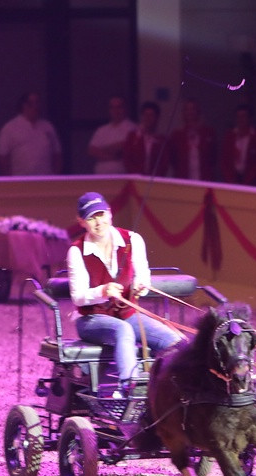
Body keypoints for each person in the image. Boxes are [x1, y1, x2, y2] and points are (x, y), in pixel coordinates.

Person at [67, 191, 183, 397]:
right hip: (92, 320)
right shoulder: (76, 251)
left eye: (101, 215)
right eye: (91, 218)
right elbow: (78, 296)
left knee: (174, 341)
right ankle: (129, 386)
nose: (98, 222)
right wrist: (102, 291)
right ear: (81, 222)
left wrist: (141, 285)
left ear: (110, 214)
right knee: (122, 331)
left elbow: (143, 276)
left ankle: (174, 391)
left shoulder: (133, 240)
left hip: (128, 315)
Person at [0, 91, 62, 176]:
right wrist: (10, 179)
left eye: (38, 102)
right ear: (24, 105)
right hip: (20, 181)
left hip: (46, 180)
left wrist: (55, 176)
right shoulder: (9, 128)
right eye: (33, 103)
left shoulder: (48, 127)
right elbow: (2, 156)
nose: (37, 106)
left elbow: (57, 153)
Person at [167, 98, 216, 181]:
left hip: (204, 178)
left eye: (193, 109)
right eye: (187, 109)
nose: (190, 112)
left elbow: (213, 157)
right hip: (183, 179)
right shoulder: (177, 135)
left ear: (198, 111)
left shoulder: (208, 133)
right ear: (183, 113)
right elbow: (173, 159)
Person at [219, 103, 256, 185]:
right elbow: (224, 161)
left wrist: (247, 182)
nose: (240, 119)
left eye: (243, 116)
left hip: (252, 182)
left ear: (249, 118)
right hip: (232, 180)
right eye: (238, 117)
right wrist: (231, 181)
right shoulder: (230, 136)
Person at [87, 95, 136, 174]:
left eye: (119, 107)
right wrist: (113, 156)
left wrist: (101, 150)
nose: (115, 110)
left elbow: (122, 147)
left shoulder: (132, 128)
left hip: (121, 176)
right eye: (112, 107)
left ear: (125, 109)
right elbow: (91, 151)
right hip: (101, 177)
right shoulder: (101, 130)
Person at [122, 100, 169, 176]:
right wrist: (138, 176)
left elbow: (164, 164)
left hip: (155, 180)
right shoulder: (132, 137)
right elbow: (127, 159)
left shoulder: (162, 140)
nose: (148, 118)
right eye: (145, 115)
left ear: (157, 118)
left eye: (151, 115)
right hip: (136, 179)